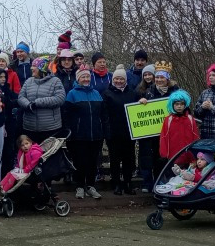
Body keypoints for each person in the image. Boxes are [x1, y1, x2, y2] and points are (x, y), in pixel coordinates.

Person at [63, 68, 109, 200]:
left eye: (87, 77)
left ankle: (90, 185)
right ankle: (79, 186)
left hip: (96, 135)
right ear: (78, 79)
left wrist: (104, 130)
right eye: (83, 77)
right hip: (78, 136)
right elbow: (66, 115)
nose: (86, 79)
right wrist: (69, 132)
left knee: (92, 162)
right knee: (79, 162)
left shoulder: (96, 93)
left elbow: (103, 114)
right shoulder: (72, 94)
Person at [102, 66, 139, 195]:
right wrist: (107, 132)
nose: (118, 81)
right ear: (113, 79)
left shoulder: (132, 93)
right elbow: (104, 115)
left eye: (121, 79)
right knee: (115, 160)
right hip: (113, 133)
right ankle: (116, 184)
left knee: (129, 159)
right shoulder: (107, 93)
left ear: (125, 80)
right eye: (116, 78)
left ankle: (128, 183)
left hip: (129, 132)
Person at [17, 57, 66, 145]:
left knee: (48, 156)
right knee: (32, 156)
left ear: (42, 68)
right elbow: (21, 97)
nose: (31, 68)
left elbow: (60, 98)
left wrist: (37, 103)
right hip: (30, 127)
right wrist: (28, 105)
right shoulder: (28, 81)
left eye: (34, 66)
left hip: (50, 128)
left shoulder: (55, 81)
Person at [159, 90, 199, 174]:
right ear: (172, 105)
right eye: (177, 104)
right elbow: (163, 137)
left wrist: (195, 156)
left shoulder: (190, 119)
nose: (179, 106)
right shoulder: (168, 120)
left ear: (185, 105)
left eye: (181, 104)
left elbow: (196, 137)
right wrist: (164, 154)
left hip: (188, 157)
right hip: (173, 157)